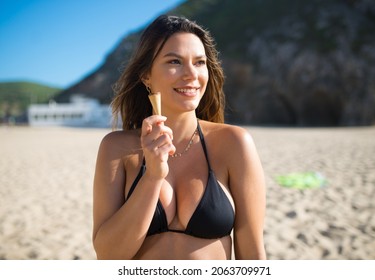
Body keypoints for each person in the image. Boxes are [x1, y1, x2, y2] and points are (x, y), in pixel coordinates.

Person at [92, 15, 266, 260]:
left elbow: (253, 253)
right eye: (175, 61)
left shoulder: (234, 143)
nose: (191, 74)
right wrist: (152, 176)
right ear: (146, 76)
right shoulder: (117, 148)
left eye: (199, 62)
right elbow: (108, 256)